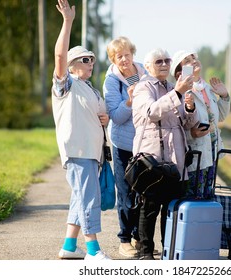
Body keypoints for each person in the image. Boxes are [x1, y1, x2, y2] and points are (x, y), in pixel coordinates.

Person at [51, 0, 110, 260]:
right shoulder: (67, 85)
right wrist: (68, 21)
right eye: (85, 59)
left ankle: (69, 246)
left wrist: (104, 119)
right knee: (88, 200)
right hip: (78, 150)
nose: (91, 63)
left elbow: (97, 116)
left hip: (91, 153)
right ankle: (93, 251)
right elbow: (59, 56)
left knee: (80, 198)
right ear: (72, 65)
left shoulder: (90, 88)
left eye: (92, 59)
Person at [131, 48, 198, 259]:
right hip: (152, 158)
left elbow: (188, 124)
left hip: (175, 157)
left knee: (171, 208)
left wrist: (189, 108)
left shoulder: (173, 87)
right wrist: (177, 94)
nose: (164, 64)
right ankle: (146, 252)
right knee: (149, 207)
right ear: (148, 67)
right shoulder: (144, 88)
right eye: (158, 61)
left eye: (167, 60)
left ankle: (168, 250)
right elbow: (152, 112)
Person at [103, 36, 147, 258]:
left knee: (144, 192)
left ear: (133, 54)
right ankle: (124, 239)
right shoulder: (112, 81)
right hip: (122, 145)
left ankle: (141, 238)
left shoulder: (144, 74)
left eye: (127, 54)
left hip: (145, 144)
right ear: (113, 58)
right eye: (118, 56)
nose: (124, 59)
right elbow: (117, 117)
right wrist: (130, 101)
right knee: (126, 193)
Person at [170, 50, 230, 198]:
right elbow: (175, 125)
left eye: (194, 58)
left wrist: (224, 96)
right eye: (187, 61)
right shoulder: (180, 93)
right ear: (179, 73)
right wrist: (191, 134)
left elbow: (219, 117)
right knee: (193, 199)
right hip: (194, 155)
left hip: (212, 153)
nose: (194, 61)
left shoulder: (207, 89)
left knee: (207, 198)